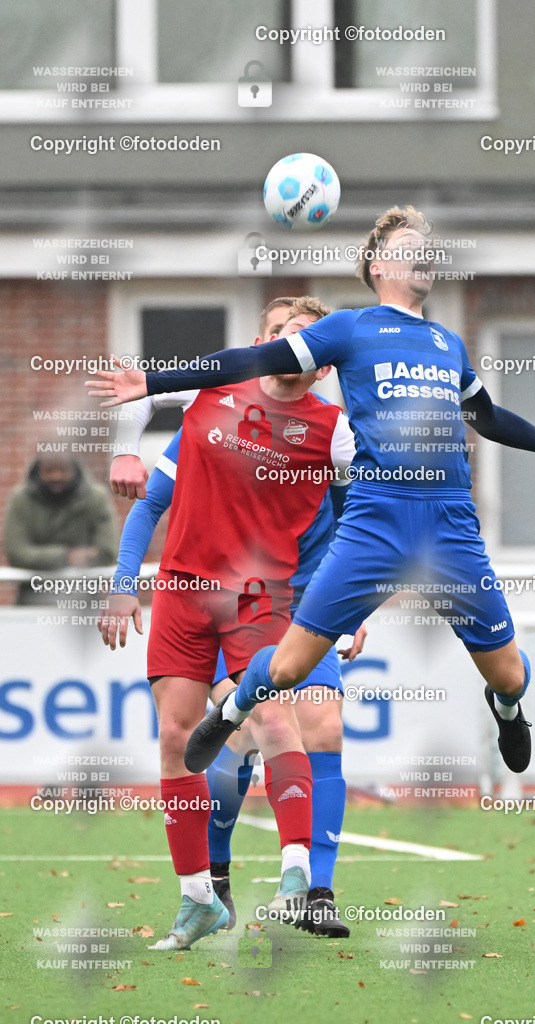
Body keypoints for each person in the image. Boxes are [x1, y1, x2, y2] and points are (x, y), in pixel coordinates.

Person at [87, 205, 535, 780]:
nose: (426, 252)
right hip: (375, 523)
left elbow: (487, 417)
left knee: (511, 675)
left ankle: (509, 709)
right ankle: (234, 707)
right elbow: (253, 358)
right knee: (288, 669)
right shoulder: (350, 327)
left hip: (449, 525)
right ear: (378, 263)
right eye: (410, 243)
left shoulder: (447, 345)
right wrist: (155, 380)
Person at [97, 297, 359, 950]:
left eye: (305, 339)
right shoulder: (215, 391)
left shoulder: (334, 432)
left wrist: (349, 607)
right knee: (198, 743)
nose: (290, 346)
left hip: (272, 598)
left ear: (323, 363)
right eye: (278, 335)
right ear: (256, 344)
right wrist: (127, 452)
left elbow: (364, 526)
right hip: (186, 593)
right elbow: (147, 429)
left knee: (299, 720)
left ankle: (305, 884)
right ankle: (206, 890)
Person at [5, 454, 118, 605]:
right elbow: (17, 553)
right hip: (31, 603)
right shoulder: (21, 499)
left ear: (75, 468)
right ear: (38, 470)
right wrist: (67, 556)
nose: (56, 476)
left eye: (64, 470)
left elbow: (107, 552)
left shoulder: (96, 498)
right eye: (49, 470)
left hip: (83, 605)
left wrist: (40, 557)